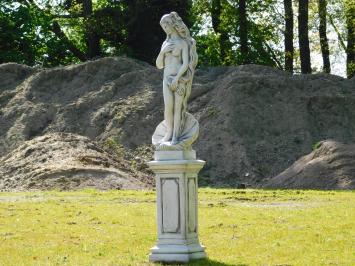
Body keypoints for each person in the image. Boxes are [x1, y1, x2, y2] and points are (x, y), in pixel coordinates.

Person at [155, 12, 198, 146]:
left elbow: (185, 64)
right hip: (166, 80)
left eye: (167, 24)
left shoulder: (182, 43)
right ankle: (168, 133)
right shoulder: (165, 43)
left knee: (177, 108)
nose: (165, 27)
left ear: (173, 24)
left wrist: (177, 79)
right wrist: (162, 52)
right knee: (168, 108)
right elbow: (159, 65)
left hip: (179, 80)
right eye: (162, 25)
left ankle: (175, 136)